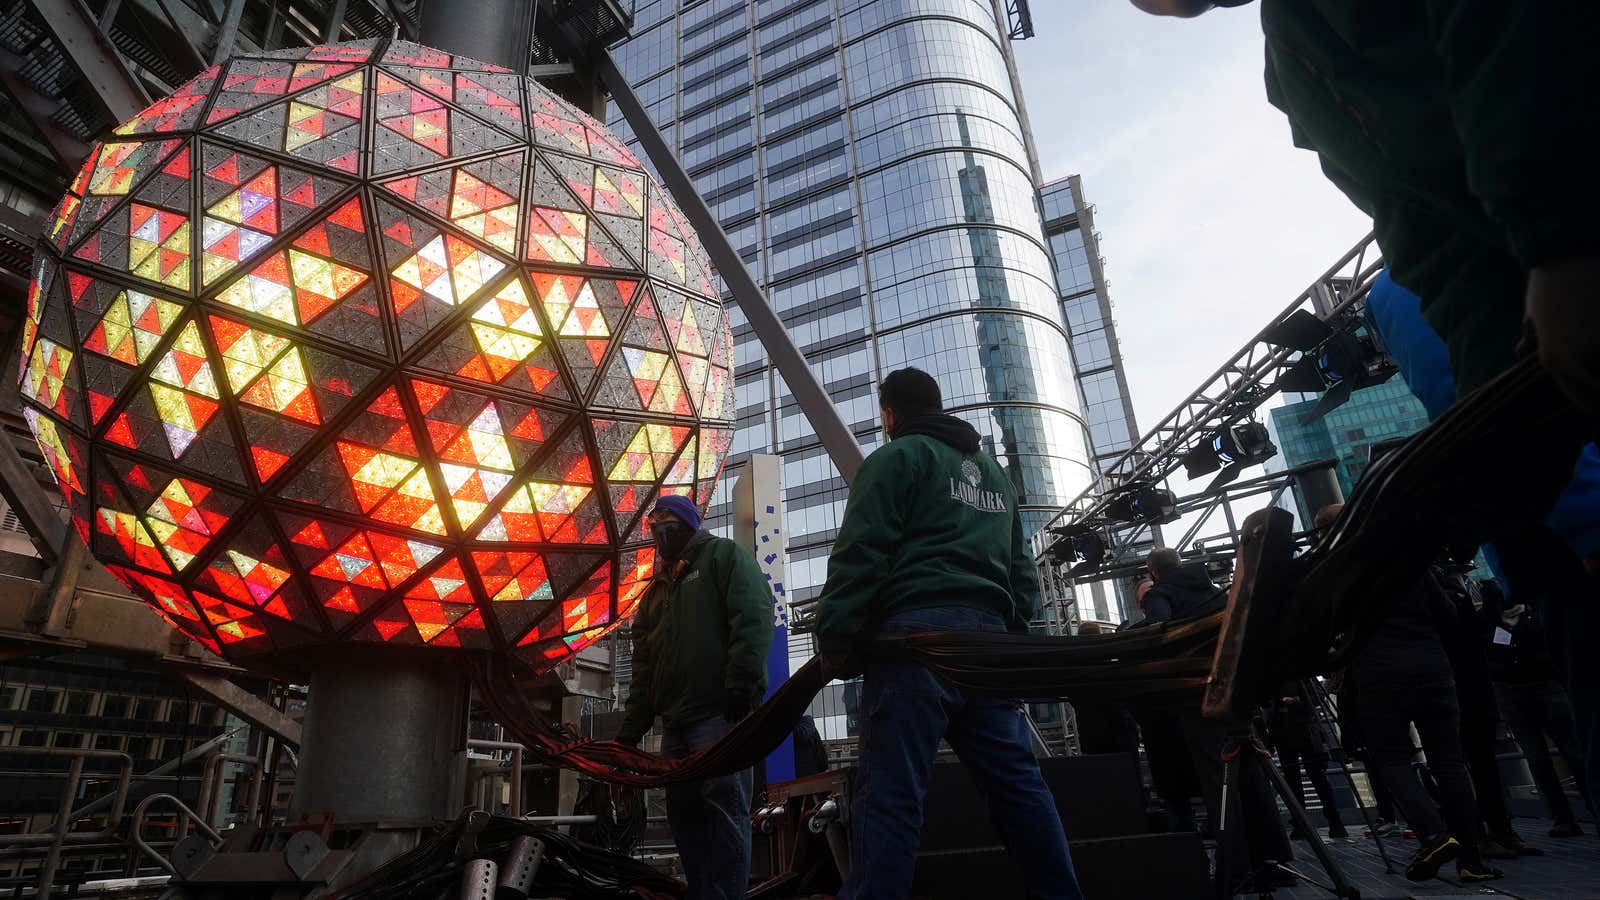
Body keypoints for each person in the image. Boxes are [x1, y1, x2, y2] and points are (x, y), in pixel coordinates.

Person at [1129, 0, 1600, 833]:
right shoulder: (1292, 64)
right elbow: (1421, 229)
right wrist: (1505, 450)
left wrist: (1559, 239)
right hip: (1554, 500)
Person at [814, 367, 1082, 900]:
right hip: (985, 648)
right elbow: (1021, 573)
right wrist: (1008, 638)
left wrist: (835, 636)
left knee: (891, 793)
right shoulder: (996, 478)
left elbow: (861, 553)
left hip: (915, 642)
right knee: (1018, 785)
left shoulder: (894, 459)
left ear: (890, 414)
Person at [1324, 503, 1503, 883]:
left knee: (1391, 760)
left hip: (1377, 678)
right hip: (1432, 670)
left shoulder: (1335, 573)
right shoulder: (1409, 561)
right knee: (1451, 764)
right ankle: (1473, 859)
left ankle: (1434, 835)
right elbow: (1448, 618)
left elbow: (1327, 634)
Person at [614, 495, 774, 900]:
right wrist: (629, 733)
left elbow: (753, 615)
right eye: (654, 522)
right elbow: (644, 669)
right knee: (686, 821)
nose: (659, 528)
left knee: (725, 816)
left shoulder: (723, 557)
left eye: (667, 518)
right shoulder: (655, 593)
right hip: (677, 727)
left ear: (688, 522)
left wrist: (742, 685)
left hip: (720, 717)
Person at [1481, 581, 1593, 838]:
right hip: (1511, 693)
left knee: (1574, 752)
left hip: (1546, 686)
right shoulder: (1486, 621)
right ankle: (1561, 817)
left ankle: (1592, 807)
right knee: (1537, 759)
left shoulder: (1537, 611)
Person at [1265, 681, 1349, 840]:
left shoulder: (1296, 676)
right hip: (1291, 733)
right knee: (1301, 781)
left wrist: (1295, 702)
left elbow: (1317, 697)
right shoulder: (1295, 675)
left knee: (1312, 780)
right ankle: (1323, 824)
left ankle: (1325, 823)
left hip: (1300, 732)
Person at [1140, 548, 1226, 626]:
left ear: (1154, 573)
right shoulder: (1211, 588)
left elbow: (1157, 629)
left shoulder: (1156, 595)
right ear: (1179, 563)